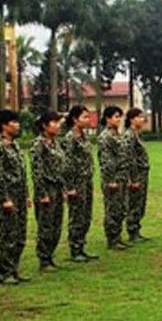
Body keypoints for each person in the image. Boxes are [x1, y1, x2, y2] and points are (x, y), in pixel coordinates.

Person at [0, 110, 30, 285]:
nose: (17, 125)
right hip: (8, 195)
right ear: (4, 125)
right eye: (14, 122)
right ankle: (4, 272)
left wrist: (27, 195)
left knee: (20, 235)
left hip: (19, 195)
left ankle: (14, 269)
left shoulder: (14, 145)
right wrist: (4, 198)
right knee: (8, 235)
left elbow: (22, 172)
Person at [31, 111, 66, 271]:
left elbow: (61, 167)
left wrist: (64, 189)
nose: (58, 126)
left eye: (59, 123)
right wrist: (42, 193)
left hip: (57, 187)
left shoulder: (56, 143)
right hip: (46, 188)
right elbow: (37, 170)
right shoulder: (39, 144)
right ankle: (43, 259)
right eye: (54, 123)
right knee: (45, 225)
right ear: (45, 126)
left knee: (56, 224)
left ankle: (50, 256)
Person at [63, 105, 98, 262]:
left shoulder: (83, 136)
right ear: (75, 119)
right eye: (84, 117)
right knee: (77, 216)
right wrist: (69, 187)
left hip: (86, 181)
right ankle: (75, 248)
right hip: (76, 183)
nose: (87, 119)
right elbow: (67, 164)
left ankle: (81, 246)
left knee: (85, 215)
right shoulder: (70, 138)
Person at [98, 106, 130, 250]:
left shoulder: (118, 134)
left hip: (122, 176)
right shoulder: (105, 137)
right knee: (112, 209)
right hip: (113, 179)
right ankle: (112, 239)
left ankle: (117, 236)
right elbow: (106, 160)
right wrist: (110, 180)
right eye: (116, 117)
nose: (119, 119)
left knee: (121, 208)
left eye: (120, 117)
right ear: (108, 119)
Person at [123, 107, 151, 243]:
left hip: (142, 173)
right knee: (134, 203)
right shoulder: (129, 136)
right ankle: (132, 231)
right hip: (136, 175)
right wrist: (132, 179)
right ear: (131, 119)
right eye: (139, 117)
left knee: (140, 203)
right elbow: (129, 159)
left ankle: (136, 230)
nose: (142, 119)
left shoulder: (137, 134)